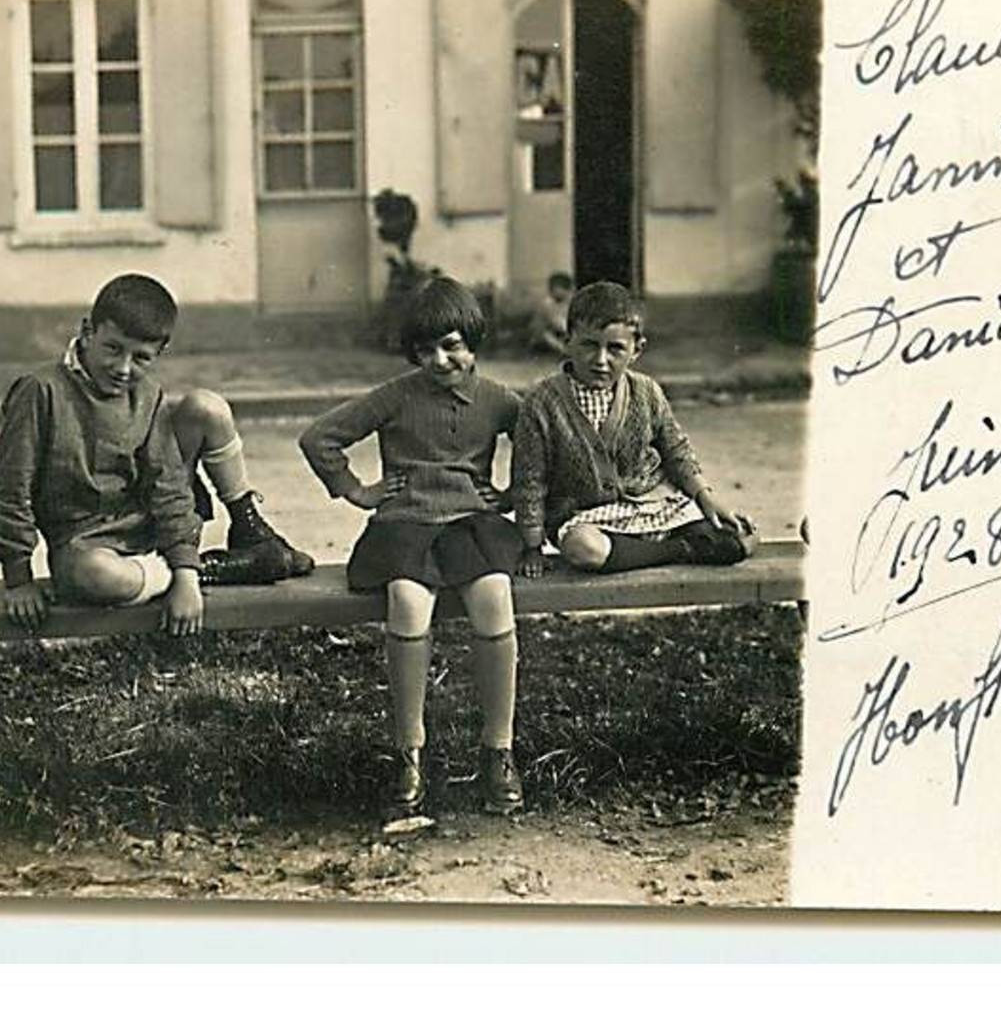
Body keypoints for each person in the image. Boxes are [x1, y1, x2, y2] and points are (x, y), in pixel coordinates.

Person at [299, 278, 525, 818]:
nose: (440, 360)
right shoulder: (396, 395)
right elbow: (319, 437)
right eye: (425, 351)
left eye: (451, 346)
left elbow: (542, 443)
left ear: (473, 342)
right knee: (406, 600)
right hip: (404, 525)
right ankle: (410, 751)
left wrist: (513, 494)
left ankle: (499, 750)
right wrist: (358, 491)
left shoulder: (498, 399)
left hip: (472, 522)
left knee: (494, 594)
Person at [0, 273, 314, 635]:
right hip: (83, 545)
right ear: (88, 330)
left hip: (145, 528)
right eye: (113, 348)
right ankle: (199, 569)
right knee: (99, 578)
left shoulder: (147, 394)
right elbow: (10, 489)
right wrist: (18, 579)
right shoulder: (40, 392)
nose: (124, 368)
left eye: (141, 358)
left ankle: (240, 540)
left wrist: (187, 580)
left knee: (208, 407)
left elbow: (169, 483)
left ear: (160, 353)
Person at [512, 281, 757, 579]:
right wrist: (532, 545)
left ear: (636, 350)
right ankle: (681, 549)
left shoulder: (646, 391)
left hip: (654, 505)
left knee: (735, 537)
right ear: (568, 341)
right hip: (586, 518)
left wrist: (705, 497)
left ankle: (655, 549)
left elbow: (676, 450)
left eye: (615, 349)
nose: (601, 360)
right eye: (589, 344)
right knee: (584, 550)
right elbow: (530, 480)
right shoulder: (541, 401)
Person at [527, 270, 574, 355]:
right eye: (555, 288)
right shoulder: (546, 304)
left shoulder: (571, 302)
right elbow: (544, 327)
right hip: (547, 337)